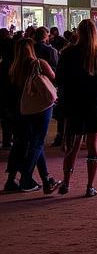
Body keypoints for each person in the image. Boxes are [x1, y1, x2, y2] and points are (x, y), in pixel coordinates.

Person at [56, 19, 97, 197]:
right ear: (96, 33)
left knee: (73, 145)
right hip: (95, 103)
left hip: (74, 103)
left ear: (78, 33)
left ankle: (66, 182)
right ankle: (90, 185)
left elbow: (59, 79)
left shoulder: (67, 53)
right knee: (93, 144)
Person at [3, 35, 58, 194]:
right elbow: (54, 77)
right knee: (38, 142)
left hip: (21, 110)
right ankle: (26, 178)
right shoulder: (38, 63)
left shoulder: (13, 67)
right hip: (41, 107)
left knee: (28, 143)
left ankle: (44, 178)